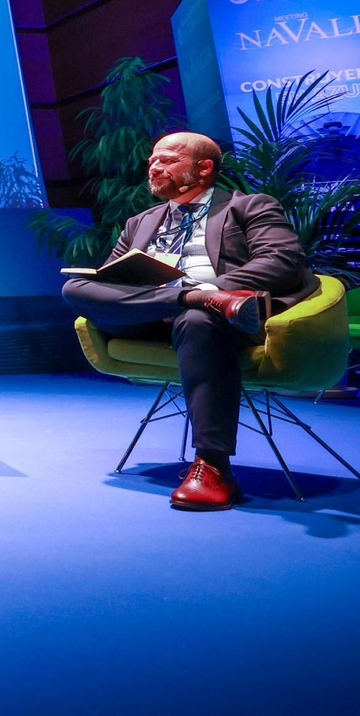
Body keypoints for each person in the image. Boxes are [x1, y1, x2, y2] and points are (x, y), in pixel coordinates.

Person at [62, 131, 316, 511]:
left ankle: (213, 466)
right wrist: (178, 294)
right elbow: (111, 279)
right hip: (148, 315)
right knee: (76, 287)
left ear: (204, 168)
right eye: (152, 161)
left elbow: (280, 261)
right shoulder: (140, 222)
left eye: (166, 160)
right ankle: (191, 297)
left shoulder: (248, 207)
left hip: (218, 319)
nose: (154, 167)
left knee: (198, 318)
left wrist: (216, 291)